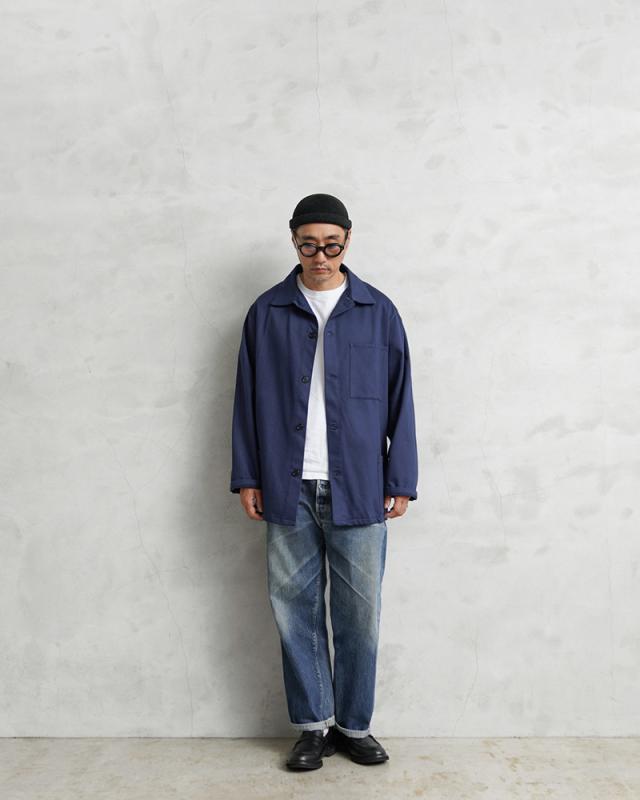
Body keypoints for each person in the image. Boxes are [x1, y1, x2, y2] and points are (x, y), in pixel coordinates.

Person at [229, 193, 419, 770]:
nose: (320, 256)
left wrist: (401, 478)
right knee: (296, 611)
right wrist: (248, 475)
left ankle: (355, 727)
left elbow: (401, 398)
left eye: (331, 246)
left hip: (359, 487)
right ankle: (313, 728)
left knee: (360, 616)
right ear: (294, 242)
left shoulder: (377, 311)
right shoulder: (267, 312)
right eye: (308, 245)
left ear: (348, 241)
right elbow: (245, 400)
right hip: (286, 485)